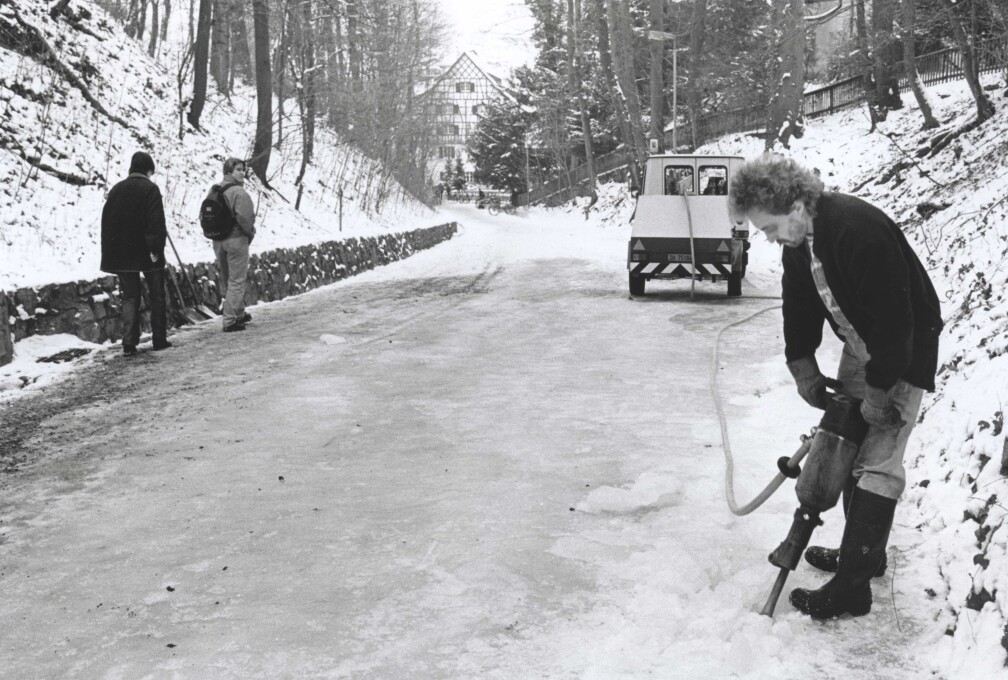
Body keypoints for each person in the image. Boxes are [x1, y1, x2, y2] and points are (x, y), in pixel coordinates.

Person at [728, 154, 943, 620]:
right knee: (846, 445)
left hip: (904, 346)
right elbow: (799, 304)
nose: (768, 238)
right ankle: (863, 554)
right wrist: (801, 364)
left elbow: (895, 319)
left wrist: (881, 391)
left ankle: (852, 587)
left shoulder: (853, 230)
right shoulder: (800, 242)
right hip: (863, 343)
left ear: (796, 205)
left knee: (878, 462)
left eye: (769, 227)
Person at [100, 151, 170, 355]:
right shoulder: (150, 189)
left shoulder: (116, 190)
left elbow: (107, 224)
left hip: (121, 254)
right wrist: (156, 249)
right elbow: (156, 223)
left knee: (130, 296)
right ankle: (159, 339)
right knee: (157, 295)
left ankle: (129, 342)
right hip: (147, 253)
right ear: (148, 170)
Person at [208, 157, 256, 332]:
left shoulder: (214, 189)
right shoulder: (239, 192)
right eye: (238, 170)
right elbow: (246, 218)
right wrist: (250, 234)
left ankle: (239, 312)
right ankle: (229, 320)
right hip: (236, 240)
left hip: (218, 241)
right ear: (229, 172)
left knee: (228, 278)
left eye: (243, 170)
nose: (243, 173)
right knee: (237, 280)